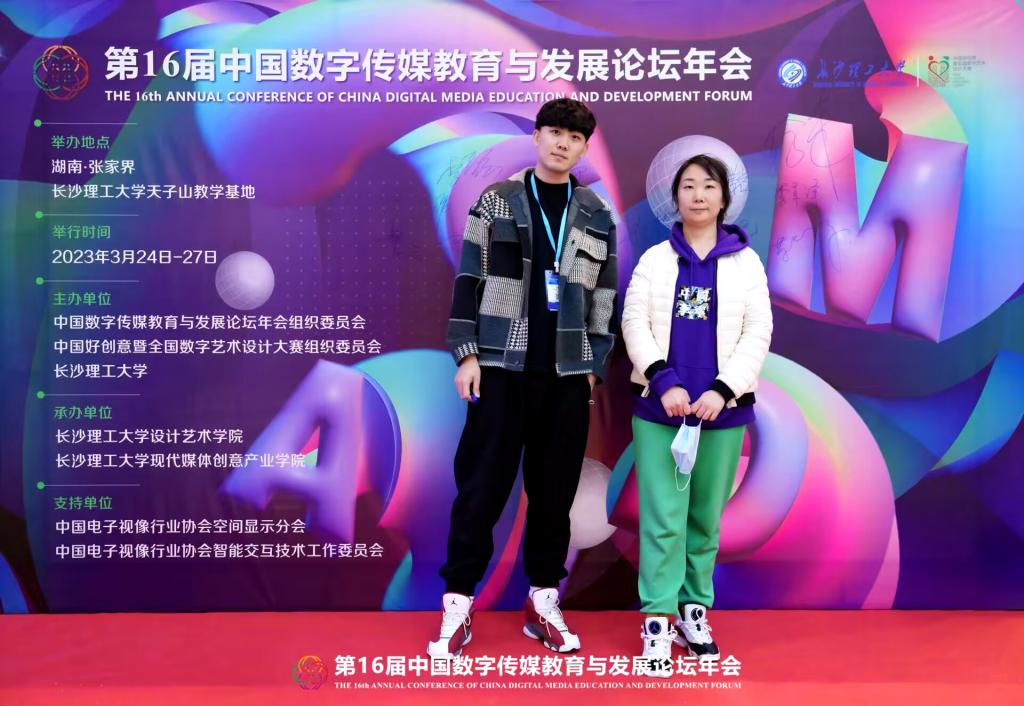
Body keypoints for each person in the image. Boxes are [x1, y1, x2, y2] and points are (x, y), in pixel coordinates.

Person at [428, 99, 618, 659]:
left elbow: (604, 297)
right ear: (536, 137)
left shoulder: (595, 213)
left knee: (554, 494)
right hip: (500, 367)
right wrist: (467, 354)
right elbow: (469, 278)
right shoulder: (498, 201)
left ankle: (543, 600)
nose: (563, 143)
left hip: (565, 374)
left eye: (574, 137)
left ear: (584, 148)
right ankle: (458, 602)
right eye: (554, 132)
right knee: (481, 488)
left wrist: (592, 366)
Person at [621, 153, 772, 677]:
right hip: (660, 410)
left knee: (705, 519)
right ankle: (657, 621)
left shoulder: (747, 263)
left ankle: (693, 612)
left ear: (724, 198)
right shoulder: (654, 260)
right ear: (675, 198)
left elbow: (758, 331)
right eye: (688, 186)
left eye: (709, 186)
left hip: (722, 414)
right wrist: (664, 382)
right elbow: (634, 322)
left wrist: (723, 390)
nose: (699, 195)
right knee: (663, 519)